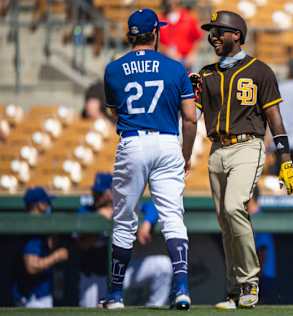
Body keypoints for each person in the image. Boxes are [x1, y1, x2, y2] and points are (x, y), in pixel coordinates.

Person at [193, 10, 293, 308]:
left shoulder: (260, 71)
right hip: (216, 150)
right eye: (211, 32)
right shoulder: (206, 73)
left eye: (219, 31)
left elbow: (274, 117)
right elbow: (192, 117)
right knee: (225, 223)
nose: (213, 36)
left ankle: (250, 280)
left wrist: (286, 159)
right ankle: (233, 291)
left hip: (248, 146)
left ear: (236, 35)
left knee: (233, 206)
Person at [101, 8, 197, 310]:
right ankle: (181, 289)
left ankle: (115, 295)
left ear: (131, 35)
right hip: (168, 142)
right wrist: (186, 153)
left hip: (133, 142)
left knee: (124, 219)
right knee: (172, 218)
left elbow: (115, 111)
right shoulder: (175, 67)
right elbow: (191, 118)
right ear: (155, 33)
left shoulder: (114, 69)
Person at [76, 173, 172, 307]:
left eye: (99, 193)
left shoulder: (124, 207)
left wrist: (147, 223)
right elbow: (80, 244)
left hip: (123, 272)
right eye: (94, 192)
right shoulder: (86, 210)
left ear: (111, 192)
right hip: (95, 277)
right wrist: (100, 222)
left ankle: (153, 308)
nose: (95, 196)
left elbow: (153, 206)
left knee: (163, 266)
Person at [12, 187, 69, 308]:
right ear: (39, 205)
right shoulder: (33, 228)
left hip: (35, 294)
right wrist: (57, 256)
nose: (49, 206)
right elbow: (31, 266)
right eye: (47, 202)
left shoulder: (30, 224)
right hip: (33, 298)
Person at [247, 186, 277, 305]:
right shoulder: (248, 218)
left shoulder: (259, 218)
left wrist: (254, 280)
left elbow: (262, 252)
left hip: (264, 278)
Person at [158, 0, 202, 70]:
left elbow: (197, 38)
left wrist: (192, 54)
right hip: (166, 62)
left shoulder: (189, 18)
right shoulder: (160, 19)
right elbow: (156, 41)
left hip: (186, 62)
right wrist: (166, 51)